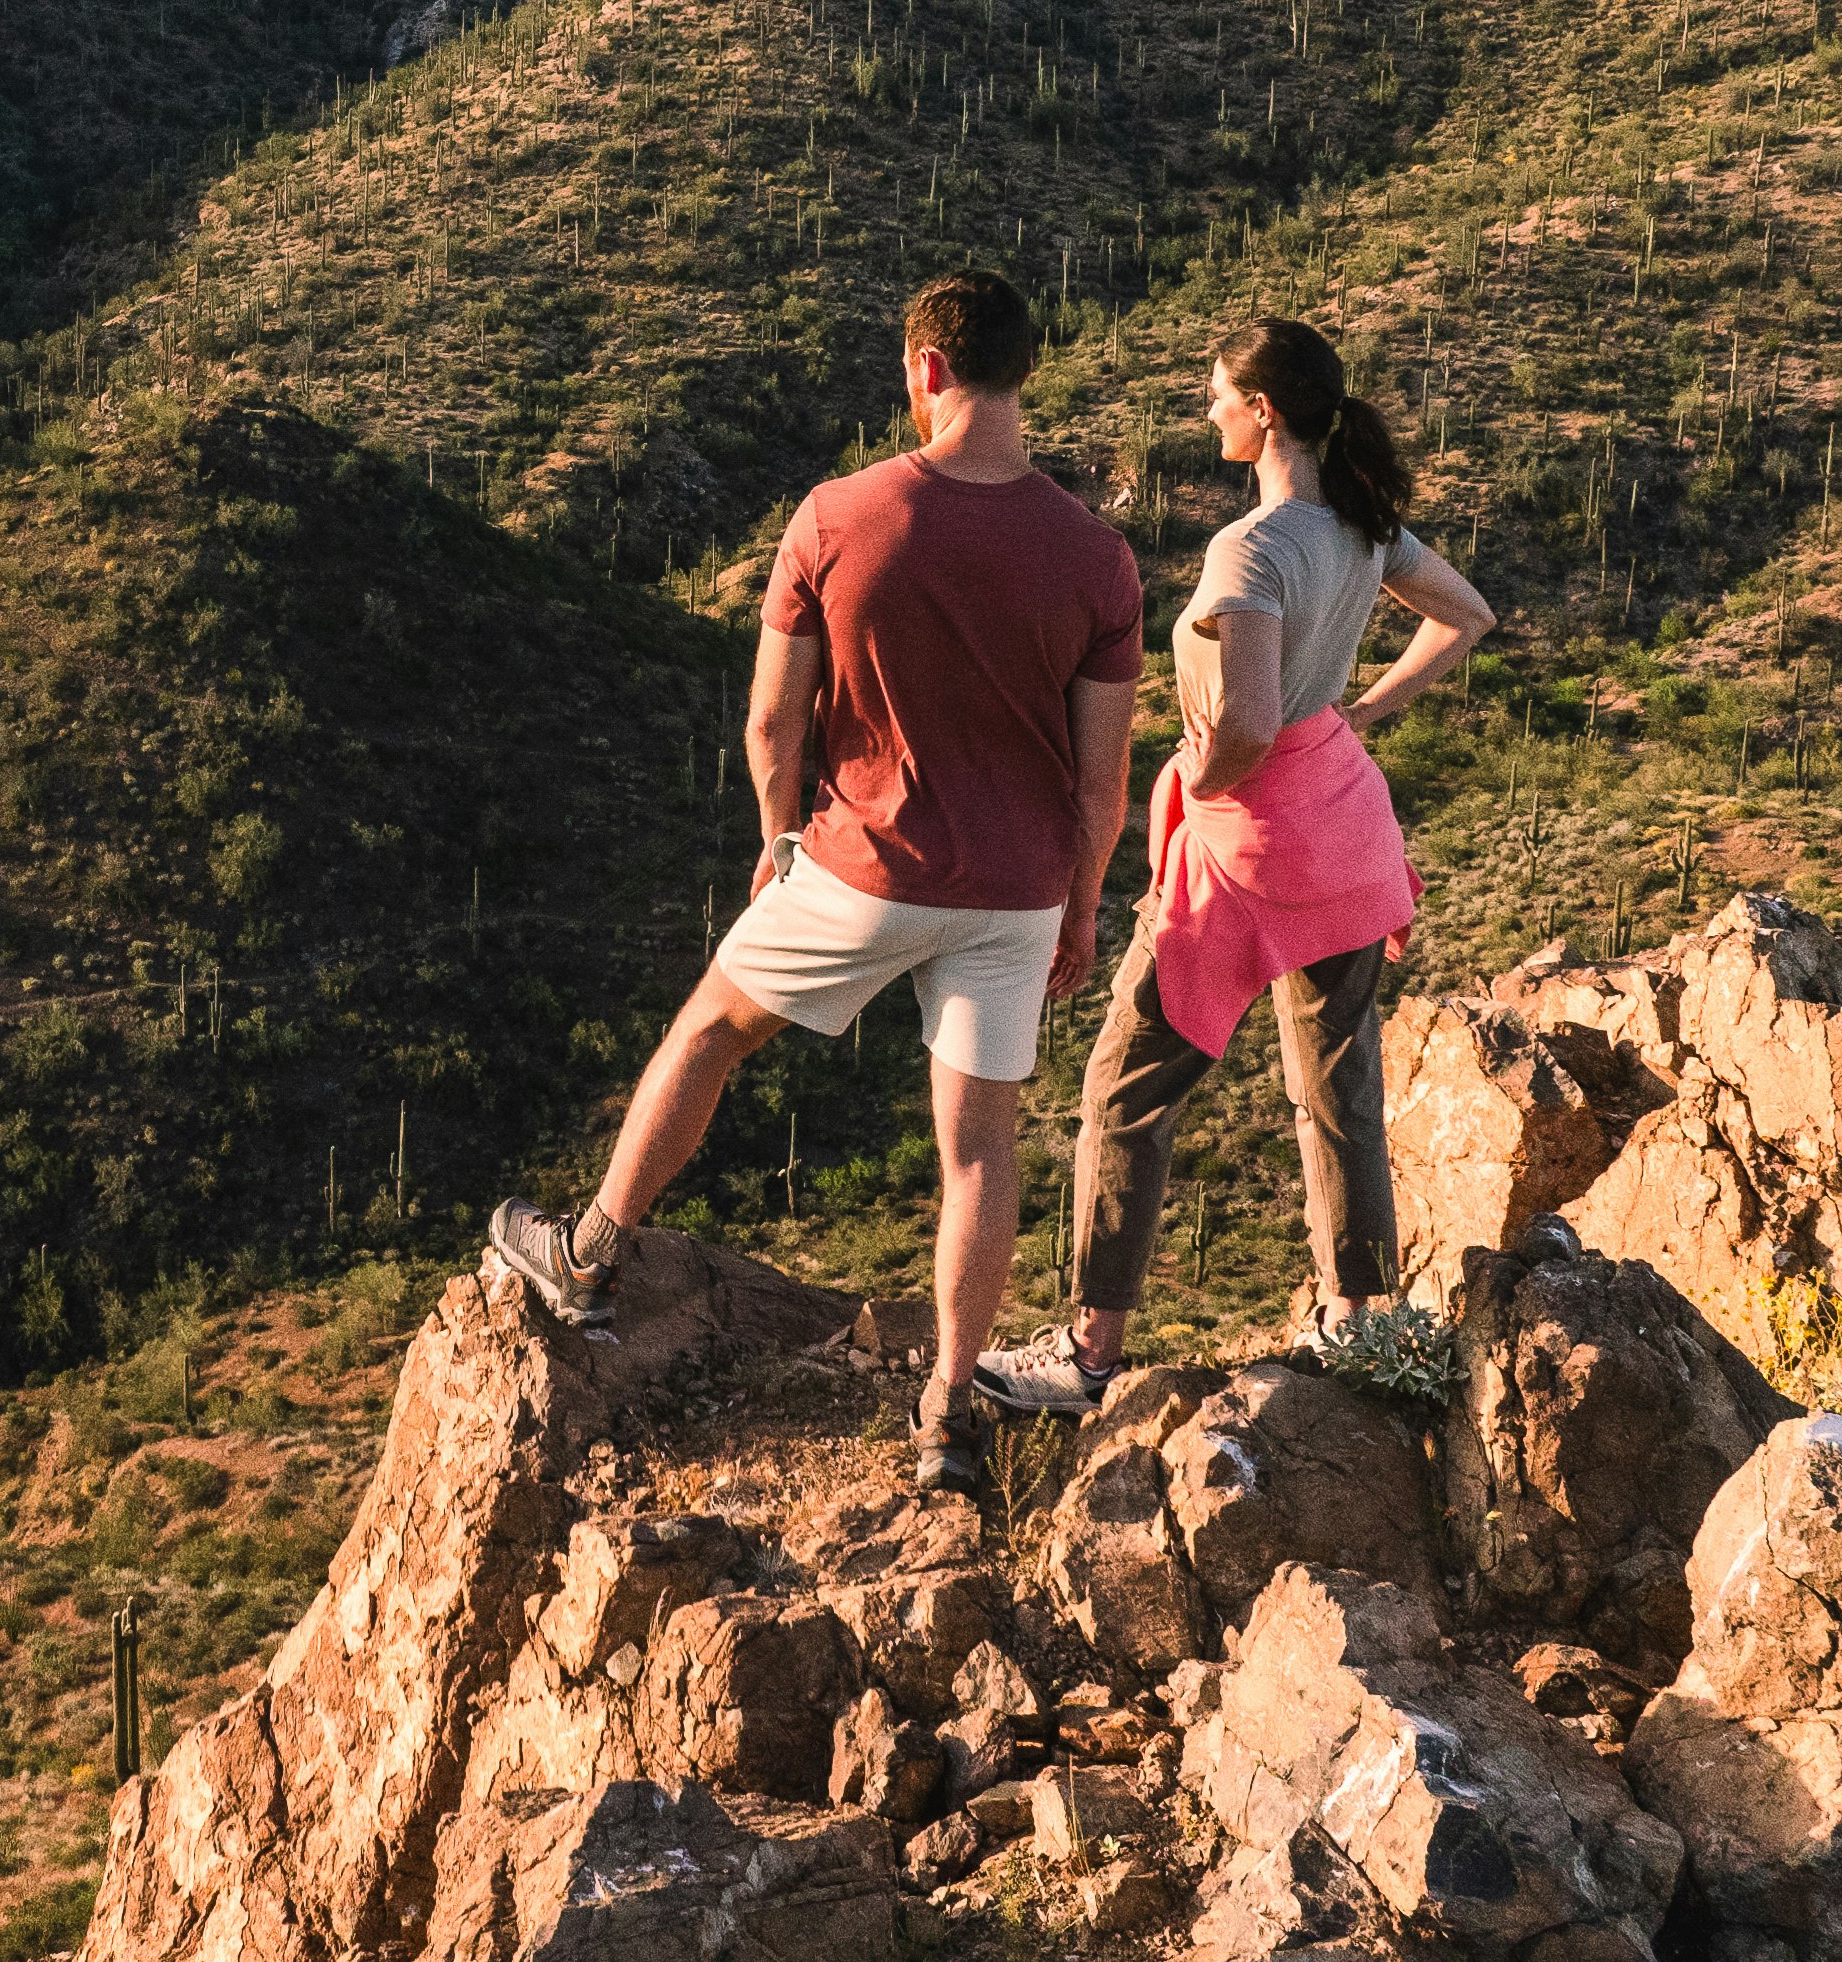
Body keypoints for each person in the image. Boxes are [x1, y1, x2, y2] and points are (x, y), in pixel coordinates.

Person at [488, 269, 1145, 1494]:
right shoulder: (1097, 557)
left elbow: (770, 725)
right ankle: (950, 1411)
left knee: (708, 1035)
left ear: (929, 371)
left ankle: (587, 1254)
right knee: (978, 1144)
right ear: (1022, 371)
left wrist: (775, 833)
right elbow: (1103, 784)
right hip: (1014, 892)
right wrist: (1083, 900)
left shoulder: (839, 515)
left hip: (861, 864)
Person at [974, 317, 1495, 1419]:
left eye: (1217, 392)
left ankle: (1089, 1353)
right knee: (1339, 1090)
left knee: (1124, 1093)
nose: (1206, 407)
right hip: (1342, 831)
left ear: (1262, 411)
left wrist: (1197, 777)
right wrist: (1363, 709)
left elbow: (1249, 723)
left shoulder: (1248, 551)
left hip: (1246, 844)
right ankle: (1366, 1326)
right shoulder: (1362, 527)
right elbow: (1467, 616)